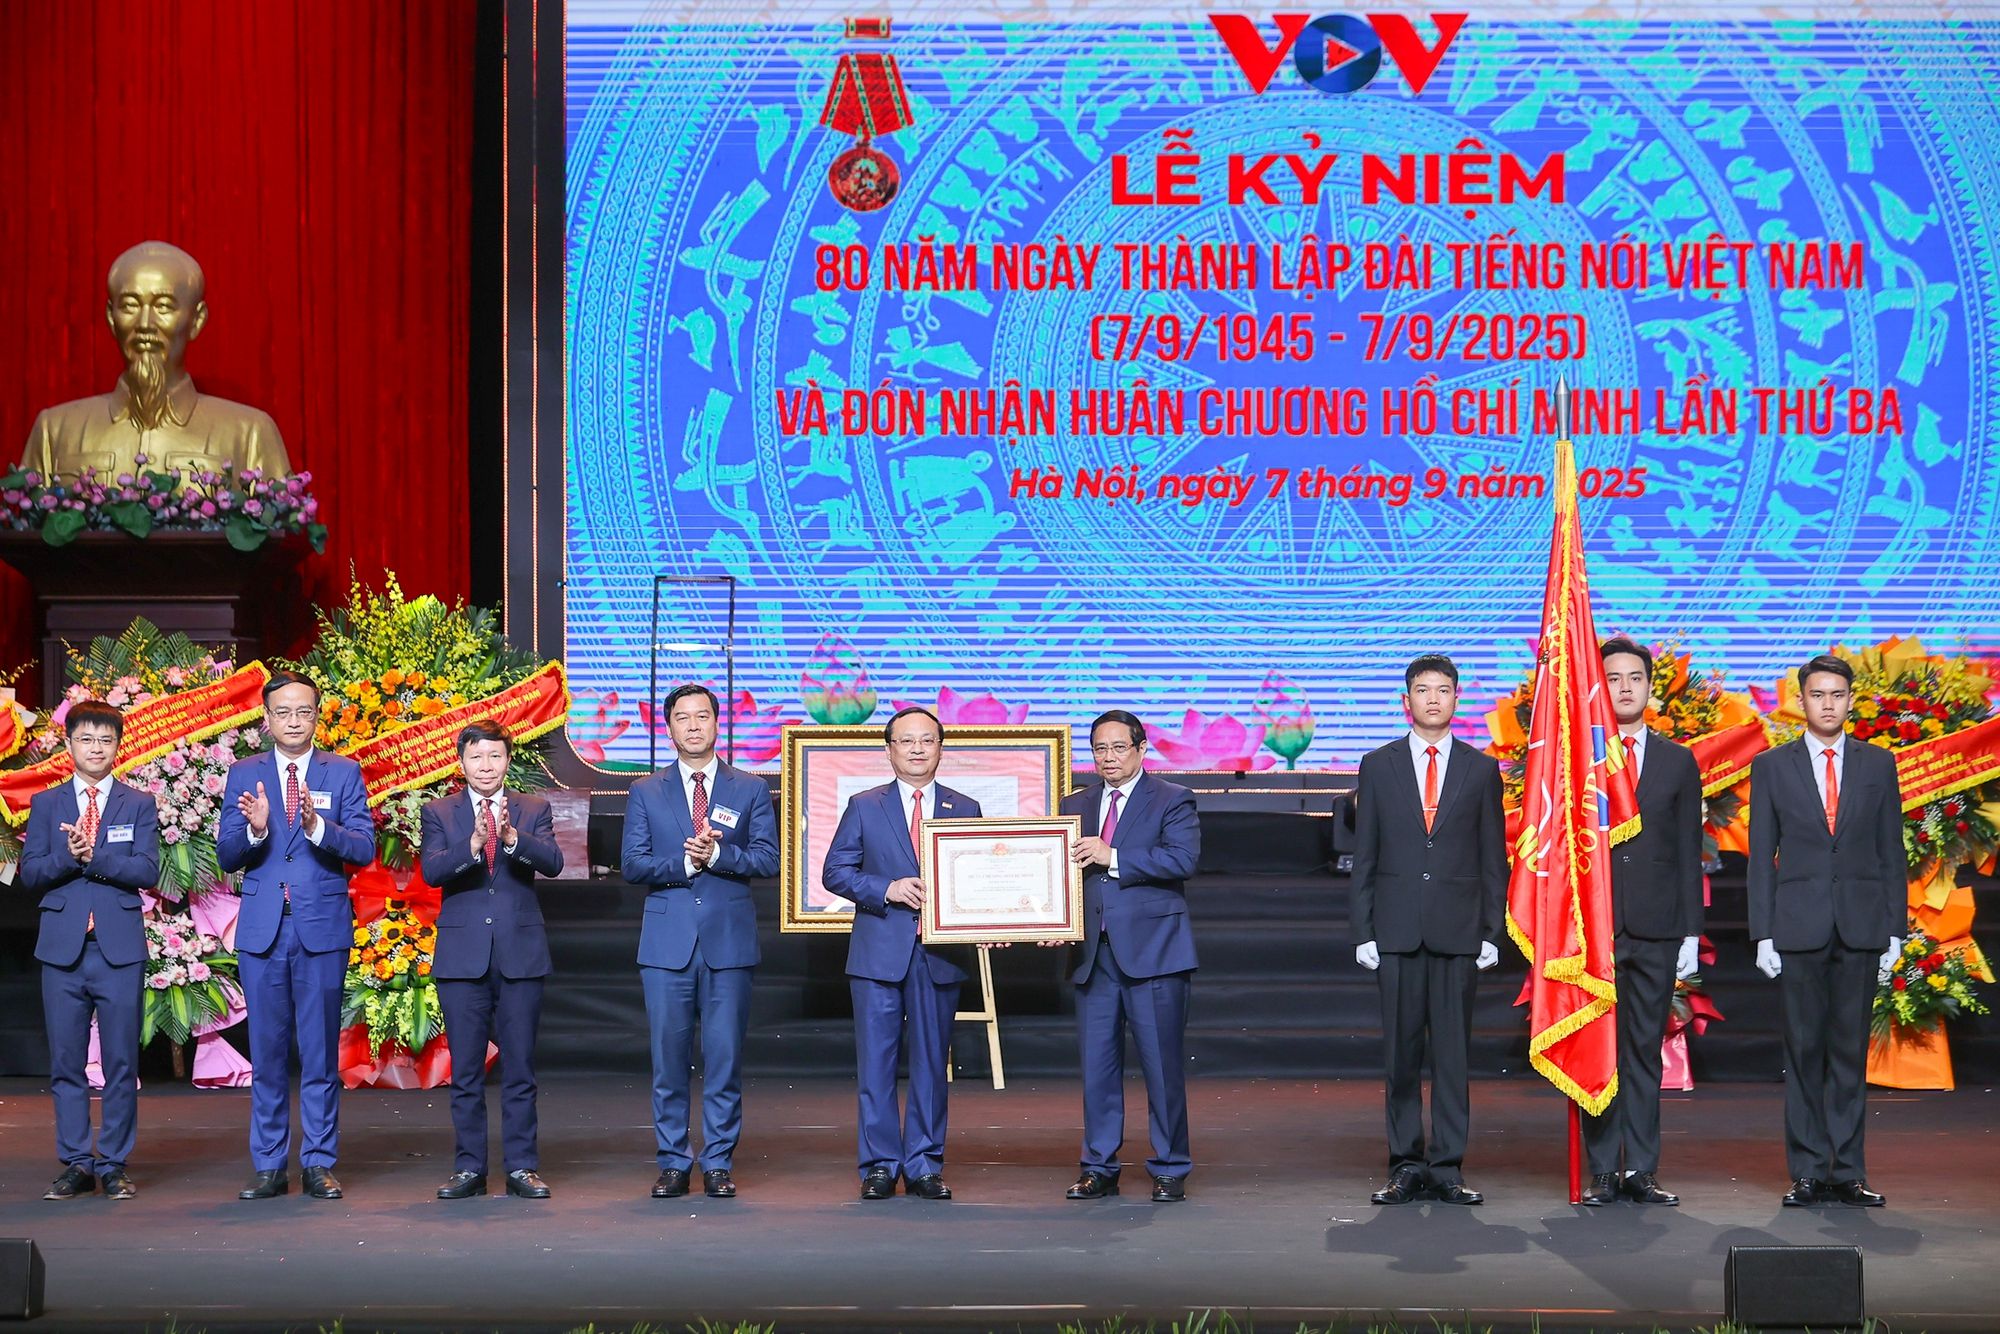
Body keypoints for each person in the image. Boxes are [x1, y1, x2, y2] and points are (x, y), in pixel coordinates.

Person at [1350, 654, 1507, 1205]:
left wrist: (1491, 930)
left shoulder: (1481, 769)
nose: (1433, 698)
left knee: (1452, 1058)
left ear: (1457, 699)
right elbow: (1365, 852)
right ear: (1406, 701)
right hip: (1395, 930)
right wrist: (1363, 929)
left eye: (1443, 690)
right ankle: (1405, 1165)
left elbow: (1493, 857)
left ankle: (1447, 1167)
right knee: (1400, 1057)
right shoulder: (1378, 765)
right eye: (1423, 690)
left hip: (1458, 930)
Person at [1749, 653, 1904, 1208]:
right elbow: (1760, 854)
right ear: (1801, 701)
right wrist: (1763, 933)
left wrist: (1895, 930)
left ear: (1851, 700)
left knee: (1848, 1053)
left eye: (1837, 694)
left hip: (1860, 926)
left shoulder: (1878, 763)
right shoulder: (1772, 766)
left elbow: (1891, 851)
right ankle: (1809, 1171)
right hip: (1798, 926)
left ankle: (1849, 1171)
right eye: (1818, 695)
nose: (1828, 704)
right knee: (1804, 1050)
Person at [218, 669, 374, 1200]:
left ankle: (318, 1162)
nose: (293, 721)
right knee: (266, 1053)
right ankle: (268, 1165)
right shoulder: (244, 773)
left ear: (317, 716)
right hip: (262, 929)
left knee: (319, 1052)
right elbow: (227, 854)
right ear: (266, 718)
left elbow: (362, 848)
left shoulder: (343, 772)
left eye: (303, 711)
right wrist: (257, 829)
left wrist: (315, 826)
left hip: (321, 927)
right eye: (282, 712)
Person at [620, 684, 778, 1200]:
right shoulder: (646, 790)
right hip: (666, 946)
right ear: (668, 727)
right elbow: (633, 865)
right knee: (668, 1062)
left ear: (716, 723)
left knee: (724, 1060)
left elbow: (768, 859)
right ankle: (673, 1161)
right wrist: (687, 864)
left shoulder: (749, 788)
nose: (693, 725)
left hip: (728, 944)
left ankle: (717, 1162)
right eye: (683, 717)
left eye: (702, 716)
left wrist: (718, 858)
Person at [821, 705, 980, 1201]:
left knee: (933, 1065)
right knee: (876, 1065)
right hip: (878, 954)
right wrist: (886, 888)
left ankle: (925, 1165)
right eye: (906, 741)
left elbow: (978, 880)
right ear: (889, 750)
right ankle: (879, 1166)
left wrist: (993, 918)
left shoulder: (965, 807)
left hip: (940, 955)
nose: (917, 749)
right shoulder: (864, 805)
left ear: (941, 749)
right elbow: (835, 872)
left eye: (927, 740)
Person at [1578, 638, 1704, 1206]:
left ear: (1651, 688)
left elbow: (1687, 852)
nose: (1625, 688)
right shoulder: (1580, 758)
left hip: (1656, 929)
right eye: (1613, 678)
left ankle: (1642, 1169)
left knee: (1644, 1053)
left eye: (1635, 678)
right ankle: (1604, 1170)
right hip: (1594, 929)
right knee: (1598, 1054)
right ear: (1598, 688)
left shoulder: (1678, 761)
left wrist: (1690, 931)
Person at [19, 700, 159, 1201]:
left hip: (118, 949)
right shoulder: (47, 803)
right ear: (69, 745)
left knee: (121, 1063)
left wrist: (93, 856)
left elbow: (147, 870)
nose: (96, 748)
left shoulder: (138, 803)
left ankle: (114, 1163)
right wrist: (68, 855)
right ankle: (77, 1162)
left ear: (117, 746)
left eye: (105, 740)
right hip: (63, 950)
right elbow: (31, 874)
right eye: (86, 739)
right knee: (66, 1063)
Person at [1059, 710, 1200, 1204]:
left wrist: (1112, 856)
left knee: (1162, 1068)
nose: (1109, 757)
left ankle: (1170, 1166)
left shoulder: (1172, 798)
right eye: (1100, 748)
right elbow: (1059, 874)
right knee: (1097, 1070)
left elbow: (1182, 859)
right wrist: (1054, 920)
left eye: (1119, 747)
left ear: (1141, 749)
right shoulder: (1074, 804)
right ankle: (1098, 1167)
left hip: (1154, 953)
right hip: (1093, 956)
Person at [420, 720, 565, 1200]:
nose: (486, 765)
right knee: (466, 1072)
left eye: (495, 756)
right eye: (477, 756)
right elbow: (432, 871)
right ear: (461, 762)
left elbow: (553, 862)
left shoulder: (532, 808)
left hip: (519, 954)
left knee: (520, 1068)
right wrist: (473, 844)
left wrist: (510, 838)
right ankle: (470, 1168)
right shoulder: (439, 811)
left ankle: (522, 1167)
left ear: (508, 760)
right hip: (462, 958)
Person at [19, 240, 292, 482]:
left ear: (196, 320)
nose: (145, 324)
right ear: (111, 318)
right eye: (130, 305)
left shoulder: (249, 435)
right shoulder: (54, 432)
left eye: (163, 306)